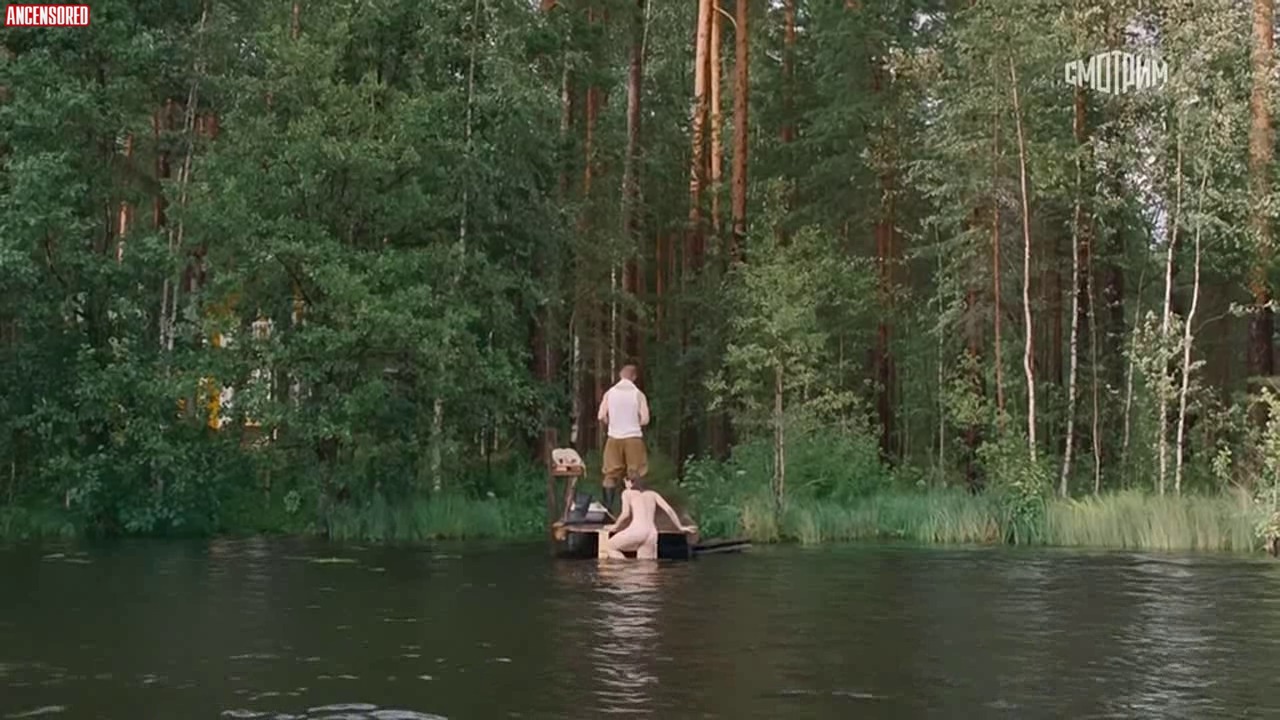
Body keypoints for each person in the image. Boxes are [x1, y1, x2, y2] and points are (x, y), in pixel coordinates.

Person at [601, 476, 695, 560]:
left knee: (610, 547)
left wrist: (615, 526)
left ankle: (625, 570)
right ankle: (633, 572)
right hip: (651, 533)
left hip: (637, 530)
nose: (625, 485)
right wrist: (680, 527)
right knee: (646, 566)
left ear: (630, 482)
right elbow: (669, 510)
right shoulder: (653, 494)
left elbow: (625, 514)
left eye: (625, 482)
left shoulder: (627, 493)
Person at [597, 364, 650, 512]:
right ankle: (636, 510)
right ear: (634, 377)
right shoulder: (638, 394)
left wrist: (611, 422)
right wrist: (635, 423)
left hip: (614, 437)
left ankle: (608, 509)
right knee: (635, 473)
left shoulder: (610, 393)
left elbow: (601, 415)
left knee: (610, 474)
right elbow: (645, 419)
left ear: (620, 376)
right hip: (633, 437)